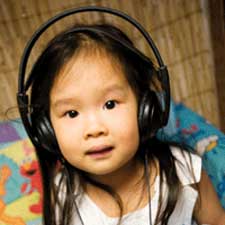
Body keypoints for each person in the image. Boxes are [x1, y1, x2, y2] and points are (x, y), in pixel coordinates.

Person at [26, 23, 225, 225]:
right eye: (72, 113)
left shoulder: (184, 170)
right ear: (46, 129)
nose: (95, 129)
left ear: (144, 109)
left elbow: (217, 220)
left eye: (110, 104)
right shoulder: (61, 196)